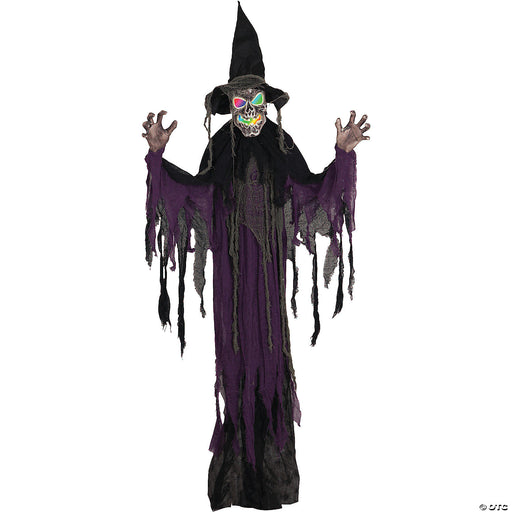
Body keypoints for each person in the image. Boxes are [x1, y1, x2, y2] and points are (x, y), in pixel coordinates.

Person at [141, 3, 369, 510]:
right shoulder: (219, 149)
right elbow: (191, 196)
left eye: (255, 97)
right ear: (229, 102)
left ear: (266, 101)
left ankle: (273, 477)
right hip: (230, 281)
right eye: (240, 97)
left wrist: (343, 155)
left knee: (270, 362)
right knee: (234, 363)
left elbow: (314, 193)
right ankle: (234, 476)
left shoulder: (281, 147)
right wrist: (157, 159)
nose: (248, 106)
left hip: (266, 283)